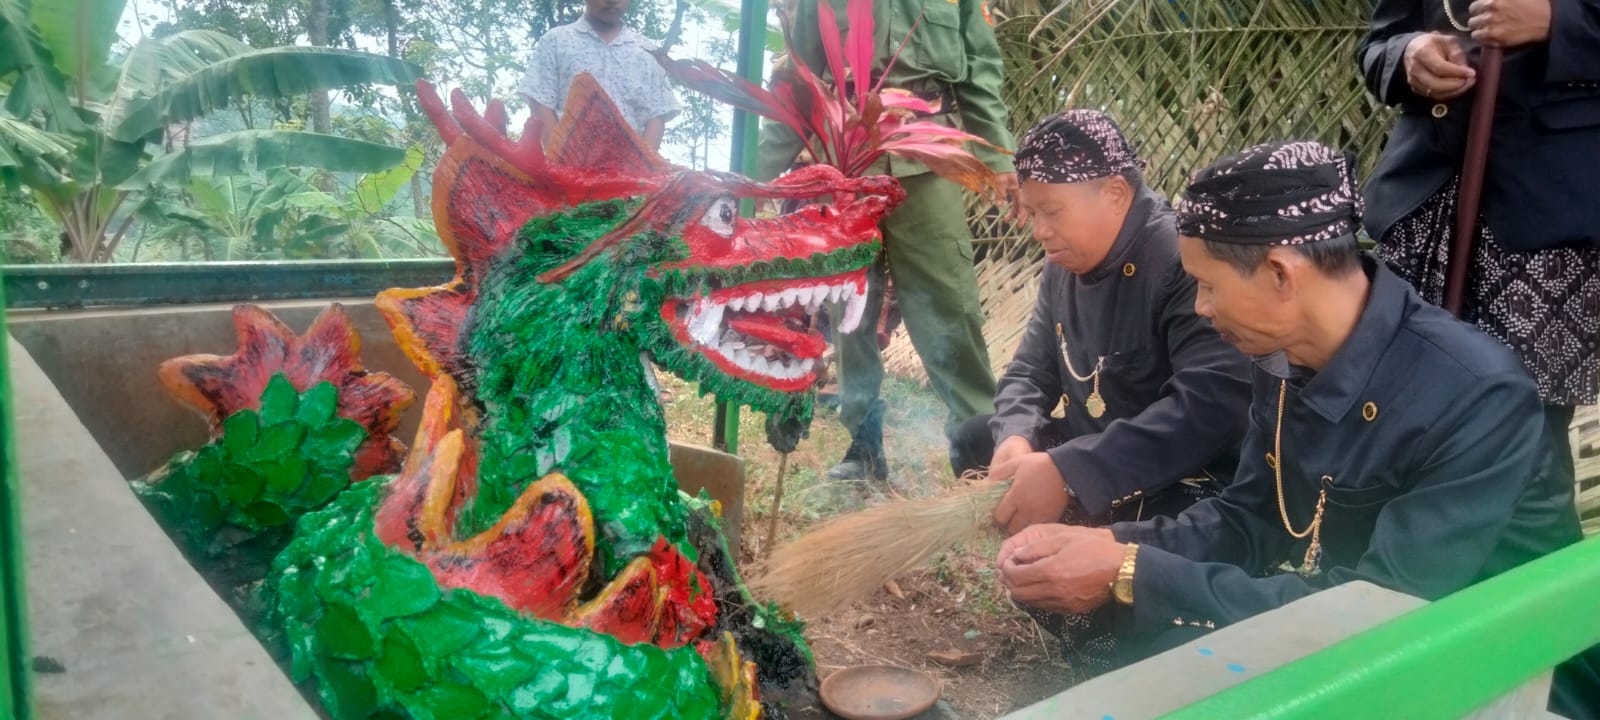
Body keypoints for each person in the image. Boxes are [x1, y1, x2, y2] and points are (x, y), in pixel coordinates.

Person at [995, 141, 1596, 716]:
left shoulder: (1479, 397)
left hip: (1498, 670)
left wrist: (1133, 572)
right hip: (1369, 640)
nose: (1200, 308)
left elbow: (1383, 610)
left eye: (1208, 285)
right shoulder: (1280, 356)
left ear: (1282, 273)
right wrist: (1119, 544)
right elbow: (1250, 516)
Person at [948, 109, 1253, 680]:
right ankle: (1068, 605)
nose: (1038, 230)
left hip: (1188, 477)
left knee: (1162, 565)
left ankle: (1120, 634)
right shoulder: (1062, 263)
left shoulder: (1181, 257)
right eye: (1032, 212)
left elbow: (1210, 410)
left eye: (1051, 211)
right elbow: (1027, 372)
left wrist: (1066, 471)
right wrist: (1016, 437)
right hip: (1099, 457)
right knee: (976, 439)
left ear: (1115, 193)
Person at [755, 0, 1019, 483]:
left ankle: (980, 446)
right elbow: (799, 81)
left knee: (950, 302)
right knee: (852, 308)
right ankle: (863, 447)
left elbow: (979, 68)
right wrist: (755, 176)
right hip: (849, 158)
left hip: (929, 156)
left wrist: (999, 156)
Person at [1359, 0, 1600, 494]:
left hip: (1546, 205)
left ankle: (1532, 560)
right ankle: (1422, 549)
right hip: (1423, 200)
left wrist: (1558, 22)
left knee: (1521, 418)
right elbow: (1378, 42)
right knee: (1405, 392)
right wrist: (1408, 55)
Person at [518, 0, 681, 151]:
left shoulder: (647, 51)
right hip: (569, 167)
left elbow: (657, 115)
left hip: (629, 171)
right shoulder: (556, 41)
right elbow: (540, 104)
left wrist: (644, 169)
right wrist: (560, 160)